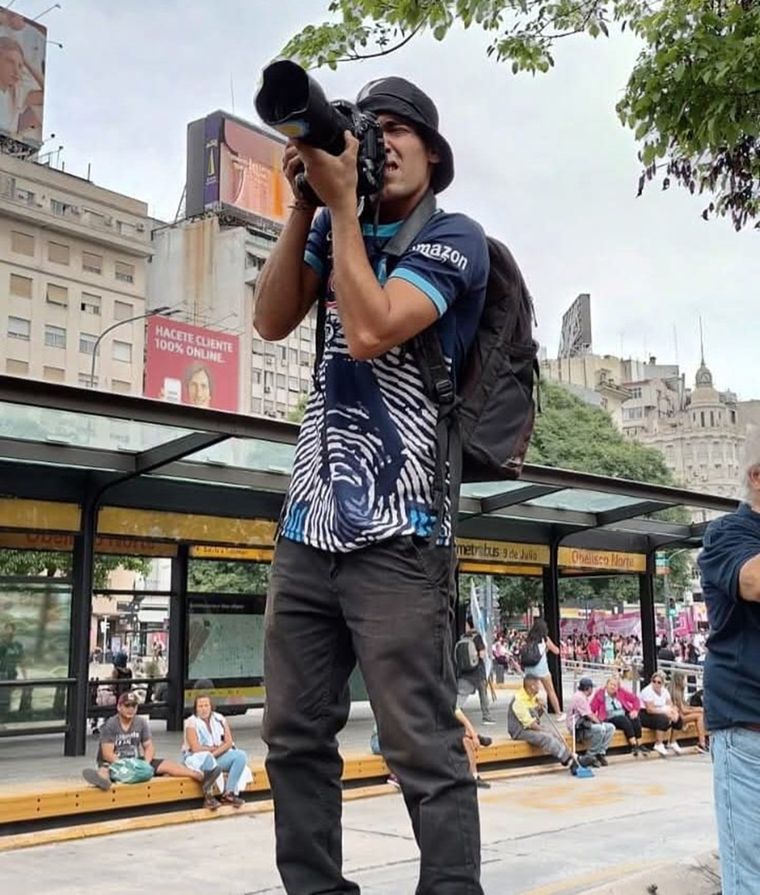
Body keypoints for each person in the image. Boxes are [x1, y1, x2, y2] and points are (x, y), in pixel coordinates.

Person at [254, 74, 489, 895]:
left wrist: (345, 212)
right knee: (292, 737)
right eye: (367, 129)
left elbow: (370, 328)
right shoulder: (330, 230)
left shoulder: (455, 238)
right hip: (307, 528)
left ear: (434, 153)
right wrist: (303, 207)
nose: (378, 144)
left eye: (396, 131)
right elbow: (270, 319)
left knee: (419, 745)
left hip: (402, 535)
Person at [697, 427, 760, 895]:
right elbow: (753, 580)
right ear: (757, 477)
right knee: (752, 875)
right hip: (748, 733)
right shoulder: (727, 533)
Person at [82, 692, 222, 803]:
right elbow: (107, 754)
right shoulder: (111, 725)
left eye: (134, 706)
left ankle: (201, 776)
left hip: (135, 760)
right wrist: (126, 764)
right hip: (116, 762)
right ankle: (103, 781)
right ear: (119, 707)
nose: (131, 709)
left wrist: (145, 764)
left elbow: (149, 746)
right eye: (127, 705)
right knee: (104, 770)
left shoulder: (141, 723)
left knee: (166, 764)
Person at [507, 673, 590, 775]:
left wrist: (541, 708)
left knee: (555, 733)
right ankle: (569, 761)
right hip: (520, 731)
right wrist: (545, 730)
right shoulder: (519, 701)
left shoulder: (532, 696)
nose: (539, 687)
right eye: (538, 684)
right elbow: (531, 724)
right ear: (532, 686)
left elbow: (536, 717)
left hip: (530, 726)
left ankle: (574, 757)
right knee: (547, 737)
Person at [183, 694, 250, 809]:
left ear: (211, 707)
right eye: (200, 706)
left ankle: (229, 793)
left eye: (206, 705)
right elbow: (195, 748)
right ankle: (208, 797)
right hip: (197, 759)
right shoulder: (191, 722)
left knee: (240, 756)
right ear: (196, 708)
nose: (204, 709)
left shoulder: (220, 719)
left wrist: (215, 752)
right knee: (208, 759)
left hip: (217, 755)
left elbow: (229, 742)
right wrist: (212, 750)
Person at [590, 677, 648, 756]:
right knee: (623, 720)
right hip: (609, 717)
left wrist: (635, 710)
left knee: (635, 718)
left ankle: (640, 743)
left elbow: (635, 699)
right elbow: (591, 709)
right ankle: (634, 745)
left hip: (622, 713)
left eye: (615, 685)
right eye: (611, 684)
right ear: (606, 685)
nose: (613, 687)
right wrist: (594, 719)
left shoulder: (621, 692)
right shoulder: (600, 694)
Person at [566, 677, 614, 767]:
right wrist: (599, 722)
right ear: (588, 688)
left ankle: (600, 753)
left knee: (610, 727)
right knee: (600, 729)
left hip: (585, 724)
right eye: (592, 688)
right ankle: (590, 755)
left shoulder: (583, 696)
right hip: (577, 727)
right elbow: (589, 715)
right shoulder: (579, 697)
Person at [521, 618, 563, 719]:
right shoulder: (545, 639)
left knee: (529, 692)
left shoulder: (529, 639)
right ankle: (558, 713)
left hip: (529, 669)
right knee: (550, 691)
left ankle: (526, 713)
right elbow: (556, 651)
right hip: (541, 669)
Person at [456, 617, 495, 724]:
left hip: (465, 672)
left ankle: (455, 713)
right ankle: (486, 717)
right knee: (483, 695)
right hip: (478, 672)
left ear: (468, 625)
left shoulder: (463, 637)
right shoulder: (477, 637)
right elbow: (482, 655)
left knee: (461, 695)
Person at [639, 672, 683, 757]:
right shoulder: (647, 691)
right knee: (662, 719)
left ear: (662, 683)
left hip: (661, 711)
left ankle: (672, 742)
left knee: (678, 719)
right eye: (654, 681)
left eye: (659, 682)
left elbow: (670, 704)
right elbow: (650, 709)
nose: (656, 684)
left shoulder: (664, 691)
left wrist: (674, 712)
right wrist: (666, 713)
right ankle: (658, 743)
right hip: (645, 713)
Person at [668, 670, 708, 754]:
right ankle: (702, 742)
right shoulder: (676, 692)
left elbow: (685, 706)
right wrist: (698, 709)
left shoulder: (679, 690)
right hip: (678, 716)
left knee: (700, 713)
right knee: (699, 716)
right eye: (684, 679)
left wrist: (696, 709)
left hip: (680, 714)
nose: (685, 681)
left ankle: (703, 741)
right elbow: (683, 710)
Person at [0, 621, 24, 718]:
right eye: (7, 629)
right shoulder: (1, 645)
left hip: (12, 674)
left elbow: (22, 661)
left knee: (9, 697)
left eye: (12, 630)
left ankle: (6, 716)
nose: (9, 632)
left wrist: (25, 677)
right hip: (2, 674)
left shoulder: (17, 645)